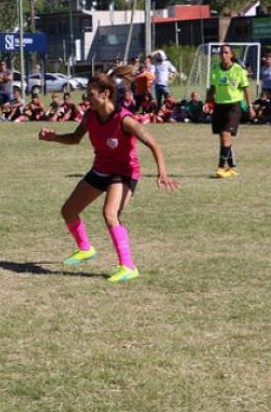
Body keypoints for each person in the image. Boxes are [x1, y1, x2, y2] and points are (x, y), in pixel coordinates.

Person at [38, 74, 178, 282]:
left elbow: (153, 144)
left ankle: (128, 266)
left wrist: (163, 173)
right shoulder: (90, 116)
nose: (86, 99)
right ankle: (85, 249)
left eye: (91, 94)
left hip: (124, 173)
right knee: (68, 211)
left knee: (110, 213)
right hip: (100, 170)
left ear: (105, 94)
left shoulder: (125, 119)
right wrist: (54, 137)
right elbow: (76, 138)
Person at [207, 44, 255, 179]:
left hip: (234, 106)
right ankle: (232, 167)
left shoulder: (238, 70)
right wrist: (207, 101)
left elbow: (245, 89)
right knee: (224, 139)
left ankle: (221, 167)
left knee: (225, 134)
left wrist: (250, 107)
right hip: (219, 106)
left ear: (231, 55)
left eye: (226, 52)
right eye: (221, 53)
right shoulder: (216, 70)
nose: (223, 55)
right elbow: (212, 88)